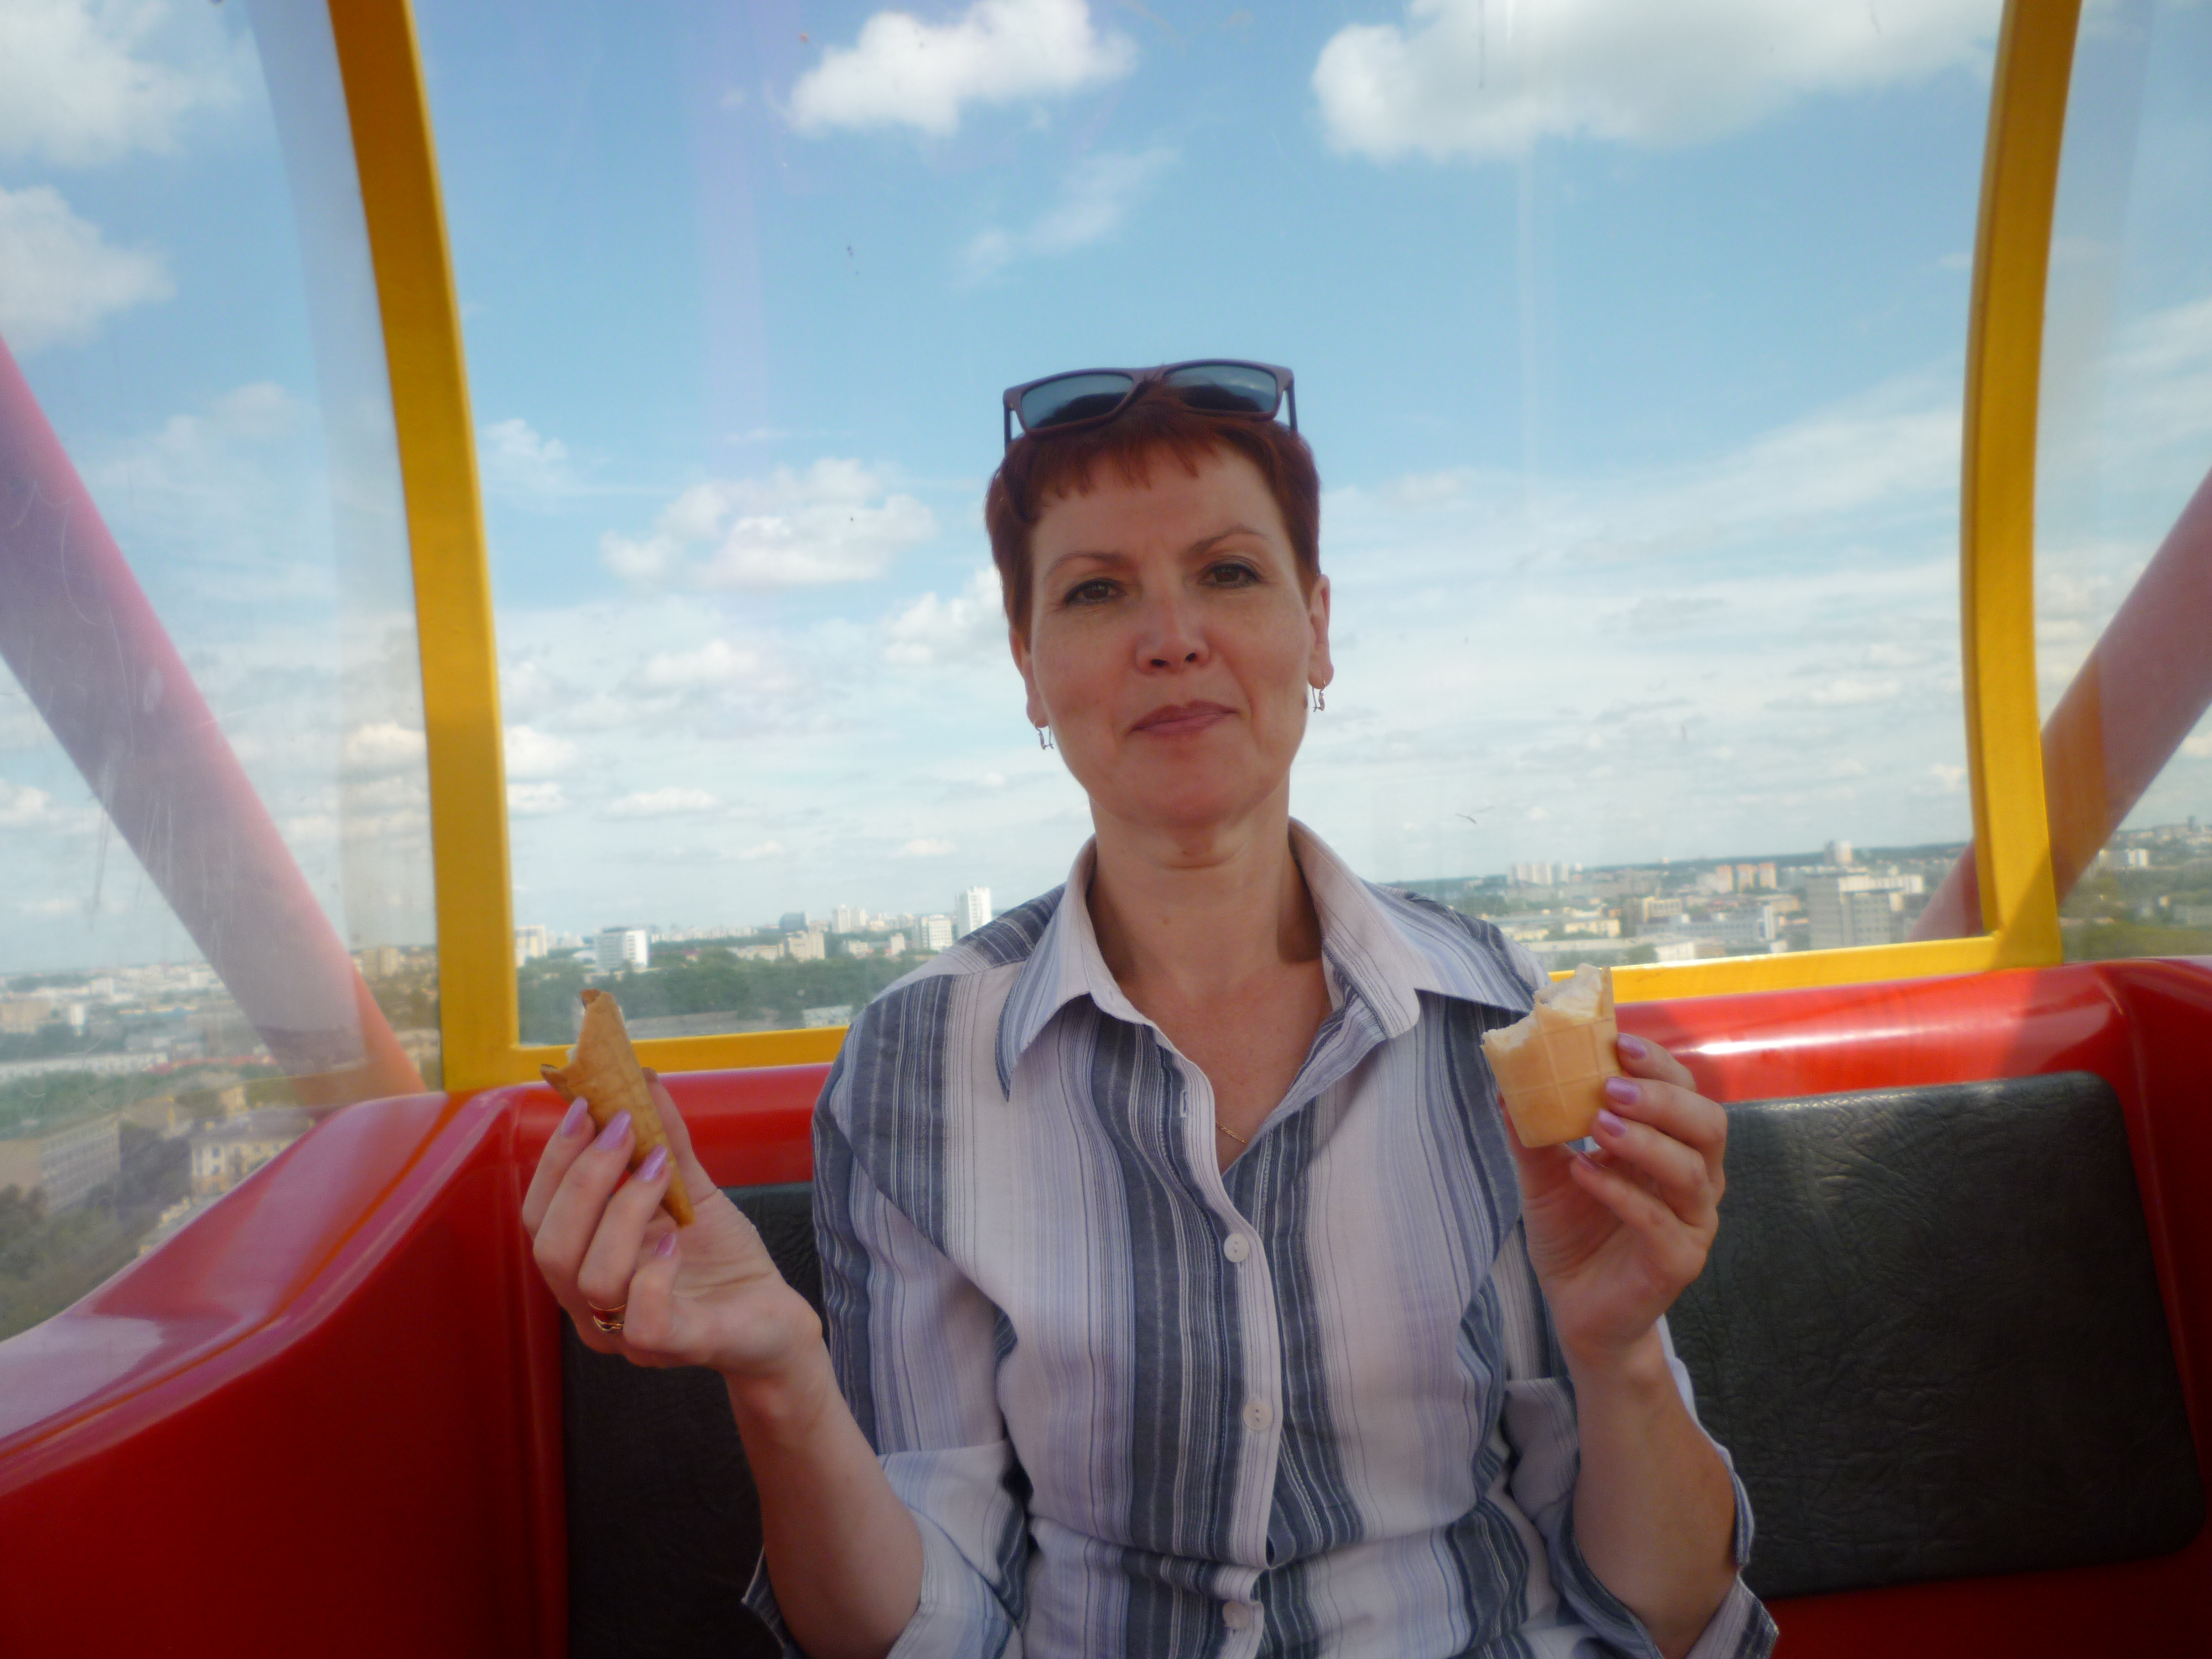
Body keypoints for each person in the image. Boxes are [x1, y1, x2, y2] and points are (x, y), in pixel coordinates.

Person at [524, 363, 1778, 1659]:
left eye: (1228, 573)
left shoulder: (1494, 1013)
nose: (1171, 636)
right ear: (1029, 667)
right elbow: (909, 1629)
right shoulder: (914, 1065)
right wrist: (780, 1375)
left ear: (1317, 628)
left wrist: (1619, 1349)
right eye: (1095, 590)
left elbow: (1668, 1612)